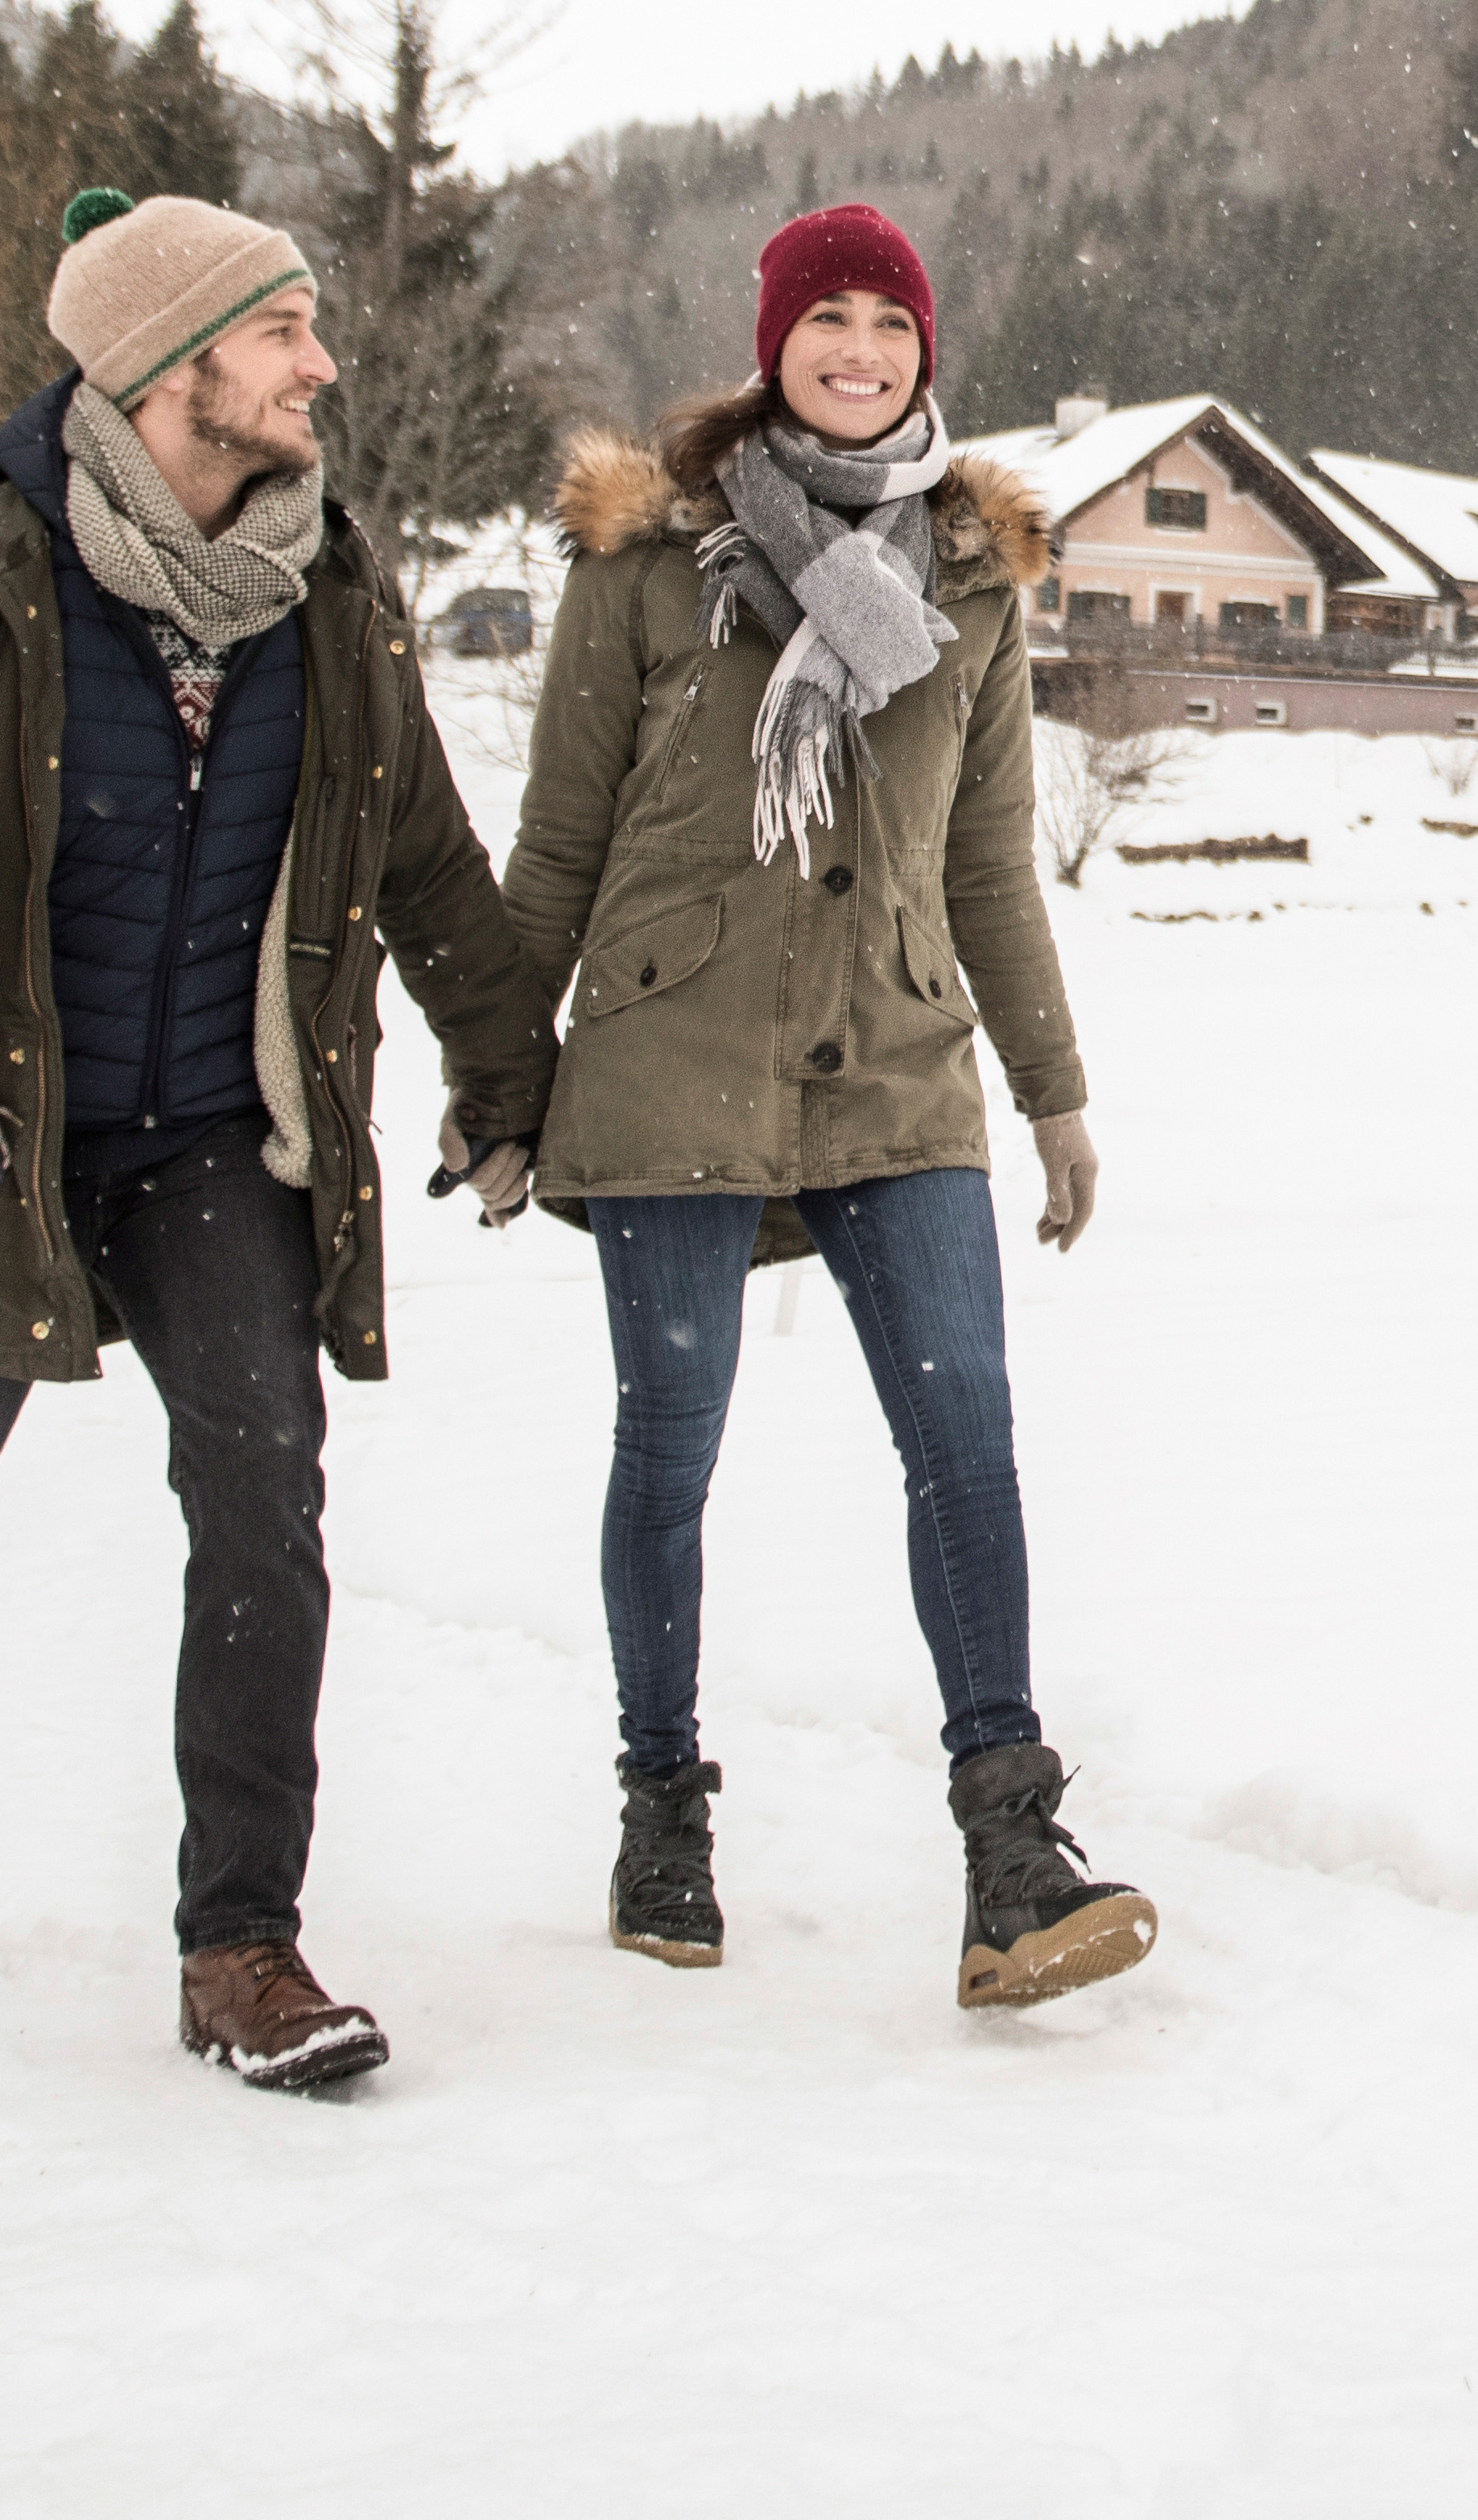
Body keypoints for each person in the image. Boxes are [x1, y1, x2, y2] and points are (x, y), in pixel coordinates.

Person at [0, 186, 551, 2091]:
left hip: (215, 1130)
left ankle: (241, 1943)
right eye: (283, 331)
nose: (321, 365)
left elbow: (430, 867)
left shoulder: (334, 598)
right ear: (169, 362)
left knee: (265, 1494)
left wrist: (508, 1071)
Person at [484, 198, 1152, 2008]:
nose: (858, 348)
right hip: (665, 1059)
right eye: (825, 317)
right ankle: (661, 1800)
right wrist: (499, 1080)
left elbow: (990, 864)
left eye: (889, 320)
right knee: (673, 1440)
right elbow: (555, 842)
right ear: (770, 340)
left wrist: (1057, 1095)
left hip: (898, 1061)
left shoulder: (972, 578)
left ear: (924, 351)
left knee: (967, 1439)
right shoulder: (647, 563)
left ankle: (1012, 1843)